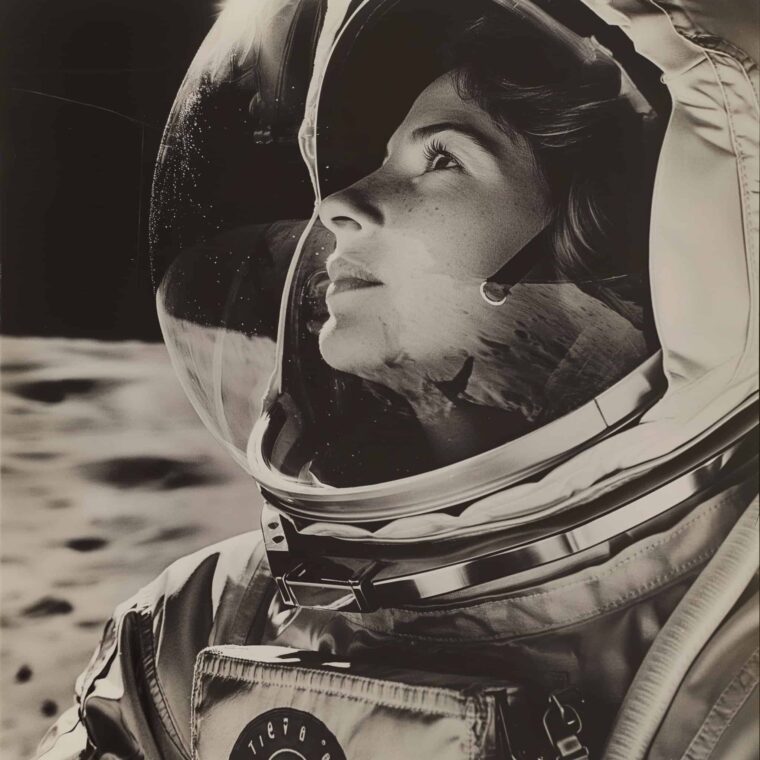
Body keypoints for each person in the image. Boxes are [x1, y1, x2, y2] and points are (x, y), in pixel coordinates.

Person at [37, 0, 758, 758]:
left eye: (442, 160)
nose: (336, 207)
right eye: (382, 162)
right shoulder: (196, 627)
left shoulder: (729, 663)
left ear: (595, 234)